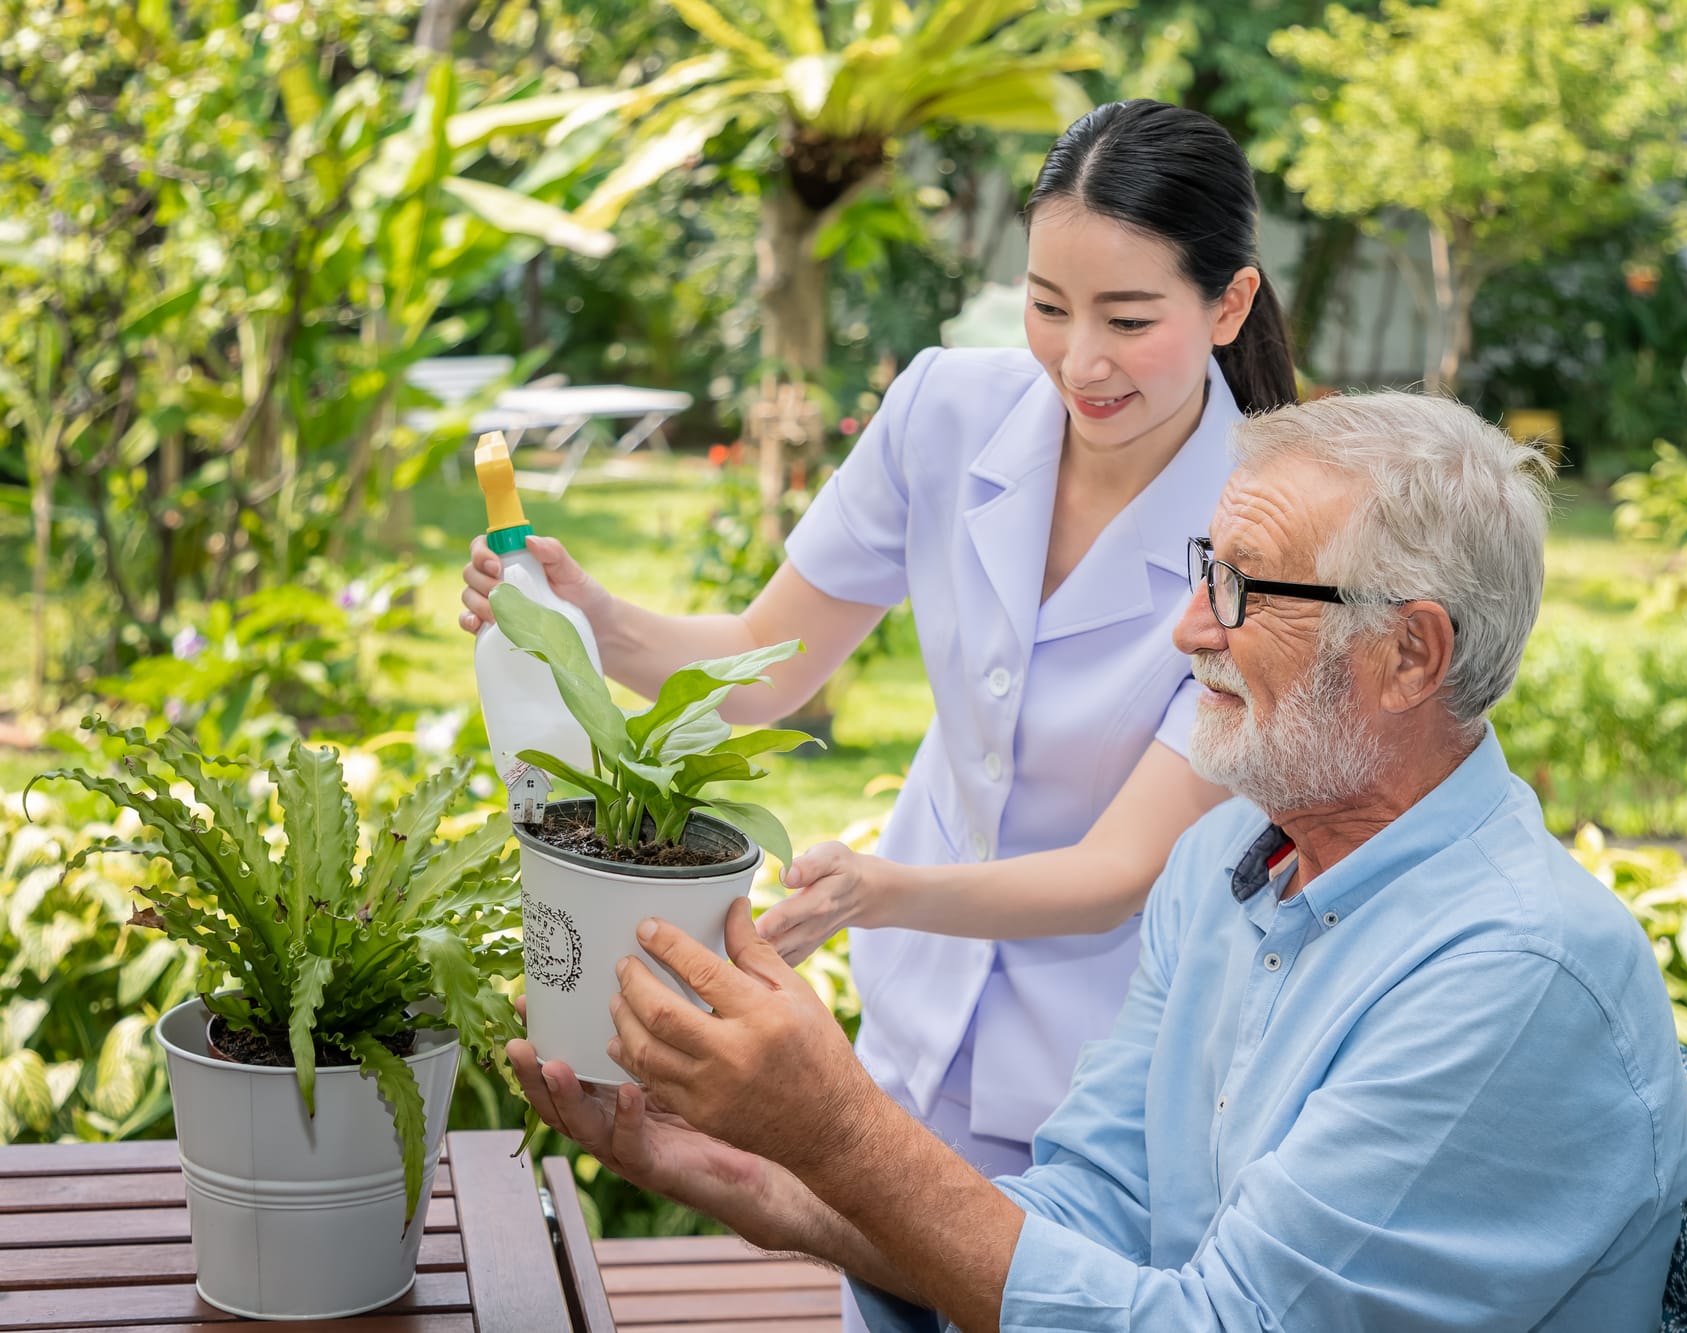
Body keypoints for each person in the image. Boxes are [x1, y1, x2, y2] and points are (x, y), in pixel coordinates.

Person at [506, 390, 1687, 1331]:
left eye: (1241, 590)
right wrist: (743, 1164)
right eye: (1202, 571)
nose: (1188, 629)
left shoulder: (1510, 978)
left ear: (1407, 655)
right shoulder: (1231, 864)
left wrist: (834, 1129)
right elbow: (1085, 1223)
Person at [460, 99, 1294, 1199]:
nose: (1079, 361)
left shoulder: (1272, 527)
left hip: (1106, 1092)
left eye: (1128, 320)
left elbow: (1117, 874)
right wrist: (584, 615)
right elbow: (765, 660)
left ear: (1229, 301)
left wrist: (877, 891)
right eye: (1048, 306)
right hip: (905, 1042)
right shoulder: (946, 412)